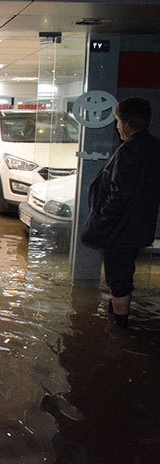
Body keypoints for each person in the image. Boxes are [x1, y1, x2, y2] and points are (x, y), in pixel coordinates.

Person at [81, 97, 160, 328]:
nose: (116, 127)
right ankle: (115, 312)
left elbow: (120, 194)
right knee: (124, 270)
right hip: (138, 225)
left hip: (120, 228)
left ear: (125, 124)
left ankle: (119, 327)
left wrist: (103, 220)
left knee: (119, 276)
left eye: (117, 122)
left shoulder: (128, 151)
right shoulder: (154, 147)